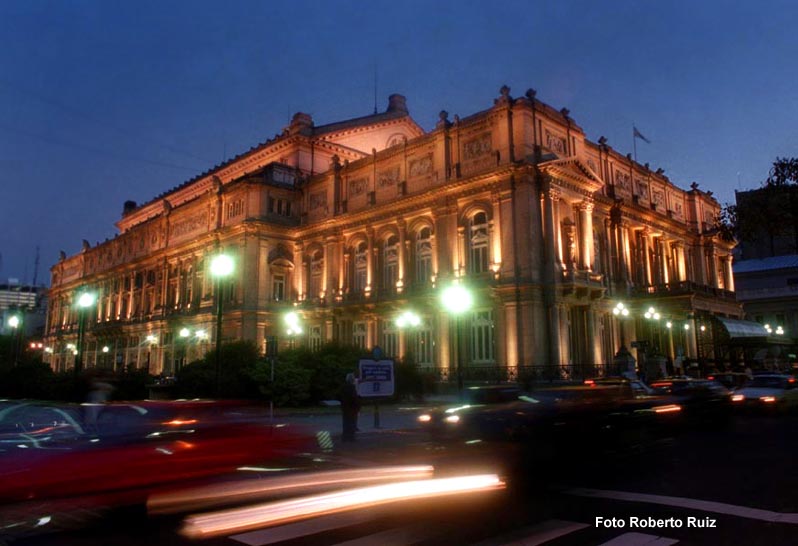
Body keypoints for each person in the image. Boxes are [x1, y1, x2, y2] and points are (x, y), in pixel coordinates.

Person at [340, 373, 360, 442]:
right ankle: (351, 438)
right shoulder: (352, 387)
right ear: (352, 380)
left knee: (345, 423)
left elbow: (340, 396)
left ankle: (344, 437)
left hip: (345, 408)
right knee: (352, 423)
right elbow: (354, 398)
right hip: (352, 408)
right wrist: (358, 406)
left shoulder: (343, 387)